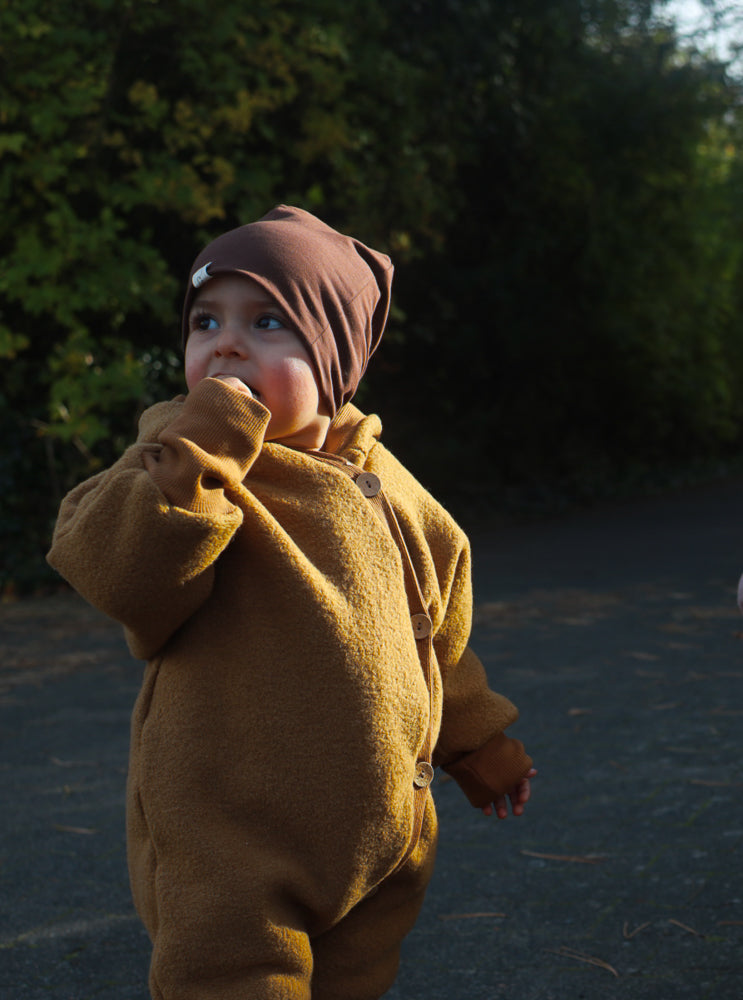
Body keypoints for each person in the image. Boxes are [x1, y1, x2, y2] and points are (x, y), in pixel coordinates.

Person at [47, 205, 536, 1000]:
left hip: (380, 841)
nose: (226, 343)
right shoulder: (180, 462)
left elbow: (434, 636)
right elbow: (122, 574)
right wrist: (202, 453)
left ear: (337, 359)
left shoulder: (392, 487)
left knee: (357, 981)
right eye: (205, 321)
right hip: (228, 841)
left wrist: (477, 741)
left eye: (268, 320)